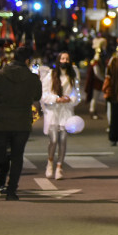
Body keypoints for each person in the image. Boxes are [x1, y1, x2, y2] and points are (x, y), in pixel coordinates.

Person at [0, 45, 42, 201]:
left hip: (0, 122)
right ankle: (11, 191)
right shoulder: (32, 78)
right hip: (22, 124)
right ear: (27, 60)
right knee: (17, 157)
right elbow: (37, 96)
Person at [40, 52, 80, 180]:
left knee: (63, 140)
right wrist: (56, 99)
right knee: (53, 140)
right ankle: (50, 162)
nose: (65, 60)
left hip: (66, 112)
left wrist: (69, 99)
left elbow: (77, 96)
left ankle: (59, 167)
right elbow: (44, 94)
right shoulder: (50, 75)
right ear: (58, 60)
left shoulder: (73, 76)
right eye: (62, 58)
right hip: (53, 112)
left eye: (67, 59)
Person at [84, 37, 108, 118]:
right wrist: (103, 79)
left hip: (98, 81)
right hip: (96, 82)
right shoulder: (96, 61)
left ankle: (94, 111)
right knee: (95, 97)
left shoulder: (99, 60)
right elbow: (97, 73)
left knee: (96, 97)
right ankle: (92, 111)